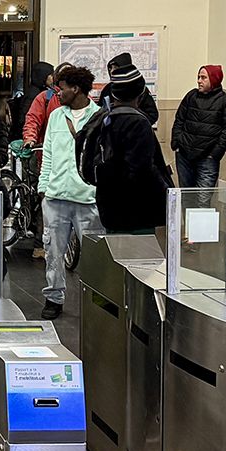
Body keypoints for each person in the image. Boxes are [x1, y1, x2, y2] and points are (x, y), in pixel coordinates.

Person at [37, 66, 104, 319]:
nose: (57, 92)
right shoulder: (55, 116)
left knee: (95, 254)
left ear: (75, 88)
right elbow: (49, 154)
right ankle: (53, 297)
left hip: (87, 198)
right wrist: (44, 188)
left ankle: (98, 299)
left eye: (61, 87)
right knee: (53, 251)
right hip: (56, 198)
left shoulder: (99, 117)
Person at [80, 65, 171, 234]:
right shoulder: (139, 123)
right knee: (139, 257)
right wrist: (165, 189)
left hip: (108, 205)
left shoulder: (103, 118)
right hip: (137, 210)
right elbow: (142, 169)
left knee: (114, 255)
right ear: (140, 92)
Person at [171, 64, 226, 189]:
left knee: (203, 201)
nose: (199, 81)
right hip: (184, 155)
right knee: (186, 197)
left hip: (207, 158)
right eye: (198, 77)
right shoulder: (191, 96)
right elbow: (179, 120)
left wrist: (215, 154)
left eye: (203, 77)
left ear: (214, 79)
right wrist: (176, 143)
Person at [104, 53, 159, 125]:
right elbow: (101, 112)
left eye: (115, 68)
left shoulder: (140, 89)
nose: (112, 71)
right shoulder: (108, 89)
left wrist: (136, 118)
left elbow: (152, 115)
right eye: (110, 68)